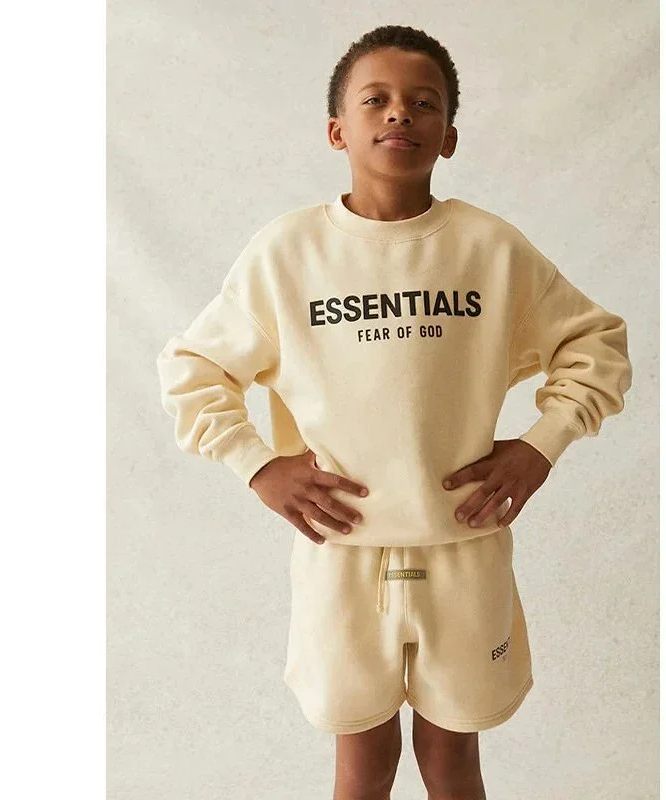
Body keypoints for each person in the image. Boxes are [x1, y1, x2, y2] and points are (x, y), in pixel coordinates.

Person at [156, 23, 632, 800]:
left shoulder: (489, 248)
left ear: (449, 136)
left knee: (452, 758)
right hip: (340, 550)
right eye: (375, 100)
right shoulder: (287, 254)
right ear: (337, 130)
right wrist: (258, 465)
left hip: (463, 545)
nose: (399, 113)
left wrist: (540, 446)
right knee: (362, 761)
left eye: (424, 103)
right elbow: (193, 366)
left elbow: (596, 343)